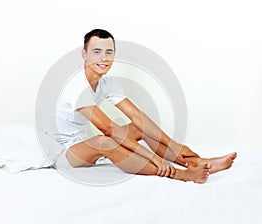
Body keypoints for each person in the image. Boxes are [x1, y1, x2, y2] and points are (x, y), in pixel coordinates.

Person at [56, 29, 237, 183]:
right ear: (84, 54)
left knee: (138, 127)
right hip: (65, 154)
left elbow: (137, 117)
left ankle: (195, 161)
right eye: (96, 52)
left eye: (109, 52)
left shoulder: (107, 83)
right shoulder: (76, 86)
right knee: (105, 142)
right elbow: (110, 130)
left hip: (84, 144)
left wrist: (174, 145)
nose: (103, 58)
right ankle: (181, 174)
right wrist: (155, 158)